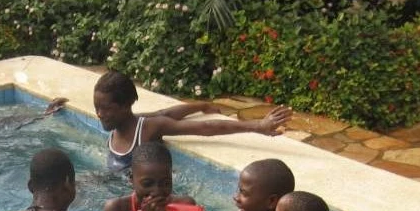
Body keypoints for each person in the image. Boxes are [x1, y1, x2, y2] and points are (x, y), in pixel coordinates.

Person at [93, 70, 293, 173]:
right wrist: (201, 106)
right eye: (97, 107)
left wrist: (258, 126)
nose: (99, 114)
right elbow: (164, 112)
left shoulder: (146, 128)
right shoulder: (119, 124)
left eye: (106, 108)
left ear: (125, 106)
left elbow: (205, 127)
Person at [102, 142, 201, 211]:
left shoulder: (185, 204)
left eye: (165, 183)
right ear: (131, 180)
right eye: (147, 184)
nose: (157, 192)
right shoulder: (117, 210)